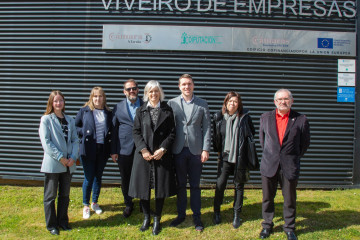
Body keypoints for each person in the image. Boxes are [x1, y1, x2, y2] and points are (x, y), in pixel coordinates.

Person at [259, 89, 310, 240]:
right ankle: (267, 225)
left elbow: (305, 143)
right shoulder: (265, 117)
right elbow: (263, 141)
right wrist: (273, 154)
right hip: (269, 164)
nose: (283, 101)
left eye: (286, 99)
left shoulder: (301, 119)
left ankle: (289, 227)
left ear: (292, 101)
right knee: (267, 197)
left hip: (289, 164)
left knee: (289, 199)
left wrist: (292, 156)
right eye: (279, 99)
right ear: (274, 102)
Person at [129, 80, 176, 235]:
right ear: (146, 93)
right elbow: (136, 132)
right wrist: (143, 149)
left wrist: (163, 148)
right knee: (143, 188)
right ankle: (146, 217)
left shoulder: (167, 110)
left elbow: (172, 133)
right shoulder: (140, 110)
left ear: (160, 92)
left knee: (160, 189)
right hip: (144, 156)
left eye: (156, 91)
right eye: (150, 91)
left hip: (160, 156)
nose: (154, 94)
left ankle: (157, 218)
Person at [168, 74, 211, 232]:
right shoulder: (171, 103)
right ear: (179, 86)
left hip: (195, 151)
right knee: (180, 185)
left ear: (193, 85)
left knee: (195, 185)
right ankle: (180, 215)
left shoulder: (202, 104)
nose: (187, 87)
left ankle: (197, 216)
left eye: (189, 84)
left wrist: (206, 149)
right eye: (184, 84)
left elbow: (206, 128)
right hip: (178, 150)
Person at [212, 91, 255, 229]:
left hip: (240, 157)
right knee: (220, 185)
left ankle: (237, 214)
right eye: (230, 101)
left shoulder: (245, 118)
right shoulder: (219, 117)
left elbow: (251, 133)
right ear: (225, 103)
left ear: (239, 104)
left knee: (239, 186)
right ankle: (217, 212)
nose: (232, 104)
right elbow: (216, 138)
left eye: (235, 101)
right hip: (224, 158)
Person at [38, 90, 79, 235]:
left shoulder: (70, 119)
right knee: (50, 196)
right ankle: (52, 225)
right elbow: (46, 142)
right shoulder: (46, 120)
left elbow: (75, 140)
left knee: (65, 195)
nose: (58, 103)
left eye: (60, 100)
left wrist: (73, 157)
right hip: (54, 164)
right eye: (55, 101)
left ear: (64, 102)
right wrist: (61, 157)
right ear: (51, 103)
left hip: (68, 164)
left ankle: (63, 222)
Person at [75, 86, 112, 219]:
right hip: (87, 149)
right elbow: (75, 127)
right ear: (92, 97)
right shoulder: (84, 111)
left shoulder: (108, 112)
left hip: (102, 150)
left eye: (100, 96)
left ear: (104, 98)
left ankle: (94, 203)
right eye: (95, 96)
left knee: (98, 177)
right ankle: (85, 205)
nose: (98, 98)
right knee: (89, 177)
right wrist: (84, 133)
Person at [111, 79, 143, 218]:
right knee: (126, 178)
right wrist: (113, 150)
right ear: (124, 92)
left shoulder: (146, 104)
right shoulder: (117, 108)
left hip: (143, 147)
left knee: (144, 176)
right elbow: (113, 130)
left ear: (138, 90)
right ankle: (129, 203)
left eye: (134, 88)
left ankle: (144, 202)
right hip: (124, 148)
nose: (132, 91)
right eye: (129, 89)